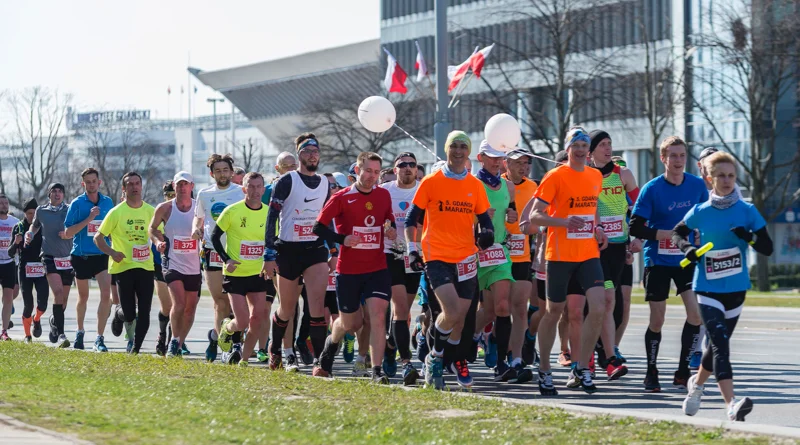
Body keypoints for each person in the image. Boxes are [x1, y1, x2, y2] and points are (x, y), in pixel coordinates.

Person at [676, 151, 773, 421]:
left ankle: (696, 386)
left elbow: (767, 247)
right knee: (720, 344)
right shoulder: (701, 211)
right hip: (707, 287)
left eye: (731, 175)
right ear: (710, 179)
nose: (727, 180)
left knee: (716, 347)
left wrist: (749, 236)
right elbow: (677, 232)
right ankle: (731, 405)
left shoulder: (747, 211)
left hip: (736, 288)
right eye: (721, 175)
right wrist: (688, 249)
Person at [404, 130, 494, 389]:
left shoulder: (475, 185)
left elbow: (484, 218)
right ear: (446, 149)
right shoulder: (431, 182)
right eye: (454, 146)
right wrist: (412, 249)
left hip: (466, 257)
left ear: (468, 153)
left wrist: (487, 234)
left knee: (460, 318)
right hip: (437, 256)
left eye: (463, 147)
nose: (458, 151)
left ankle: (448, 356)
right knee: (451, 311)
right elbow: (412, 219)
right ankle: (435, 357)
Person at [528, 127, 608, 395]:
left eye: (585, 145)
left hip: (587, 254)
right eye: (576, 144)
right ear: (569, 148)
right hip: (560, 255)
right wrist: (562, 221)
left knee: (598, 307)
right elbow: (535, 217)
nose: (581, 149)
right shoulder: (554, 177)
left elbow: (592, 209)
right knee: (553, 312)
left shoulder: (595, 176)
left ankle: (582, 367)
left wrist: (598, 229)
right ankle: (545, 369)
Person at [630, 136, 708, 392]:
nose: (677, 161)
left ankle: (683, 371)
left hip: (686, 258)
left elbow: (705, 218)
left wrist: (700, 234)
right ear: (663, 159)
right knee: (657, 319)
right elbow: (636, 226)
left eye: (681, 156)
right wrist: (664, 234)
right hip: (658, 259)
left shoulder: (697, 186)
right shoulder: (652, 189)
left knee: (695, 315)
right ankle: (651, 370)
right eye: (672, 156)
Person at [313, 151, 397, 383]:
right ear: (357, 171)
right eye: (368, 171)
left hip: (377, 268)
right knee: (352, 323)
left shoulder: (383, 195)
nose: (372, 176)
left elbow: (389, 219)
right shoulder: (341, 197)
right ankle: (331, 346)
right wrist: (343, 240)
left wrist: (391, 229)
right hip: (349, 271)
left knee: (378, 316)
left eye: (377, 172)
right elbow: (318, 228)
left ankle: (376, 371)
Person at [264, 133, 332, 370]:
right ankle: (276, 350)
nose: (313, 156)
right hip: (288, 250)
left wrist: (333, 248)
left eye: (316, 152)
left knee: (317, 305)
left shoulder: (325, 183)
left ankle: (320, 362)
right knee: (287, 308)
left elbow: (326, 219)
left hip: (314, 249)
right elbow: (271, 216)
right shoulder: (287, 181)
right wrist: (269, 254)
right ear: (299, 154)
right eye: (307, 152)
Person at [588, 130, 636, 380]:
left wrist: (636, 239)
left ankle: (603, 351)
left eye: (610, 144)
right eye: (602, 145)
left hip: (617, 247)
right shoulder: (585, 177)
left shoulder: (623, 174)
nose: (608, 148)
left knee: (610, 302)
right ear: (591, 150)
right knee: (604, 300)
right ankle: (606, 357)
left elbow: (639, 210)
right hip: (593, 248)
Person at [471, 141, 519, 383]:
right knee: (484, 310)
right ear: (480, 157)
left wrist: (512, 214)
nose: (496, 161)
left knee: (502, 306)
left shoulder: (508, 186)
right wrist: (476, 217)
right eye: (491, 157)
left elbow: (511, 215)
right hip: (472, 253)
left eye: (500, 157)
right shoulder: (471, 184)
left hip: (499, 251)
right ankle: (470, 337)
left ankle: (502, 362)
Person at [94, 172, 156, 354]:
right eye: (130, 184)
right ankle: (119, 314)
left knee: (144, 311)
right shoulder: (117, 212)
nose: (135, 187)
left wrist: (160, 243)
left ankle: (135, 348)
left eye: (137, 183)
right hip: (123, 267)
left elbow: (158, 233)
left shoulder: (150, 211)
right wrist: (112, 252)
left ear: (141, 186)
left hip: (145, 266)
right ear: (124, 188)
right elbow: (98, 238)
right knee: (129, 313)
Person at [213, 172, 270, 365]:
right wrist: (226, 259)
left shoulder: (269, 213)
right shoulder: (232, 211)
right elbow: (214, 237)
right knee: (243, 321)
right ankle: (227, 328)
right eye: (251, 187)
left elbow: (274, 241)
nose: (255, 191)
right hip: (235, 274)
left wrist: (272, 260)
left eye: (258, 187)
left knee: (257, 319)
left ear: (263, 189)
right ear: (244, 189)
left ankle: (244, 359)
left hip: (258, 273)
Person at [193, 153, 245, 362]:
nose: (222, 174)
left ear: (232, 172)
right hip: (211, 251)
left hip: (235, 252)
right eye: (218, 171)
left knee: (236, 303)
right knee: (220, 302)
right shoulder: (205, 194)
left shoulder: (241, 192)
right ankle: (225, 348)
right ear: (212, 173)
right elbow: (198, 218)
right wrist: (196, 229)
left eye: (225, 170)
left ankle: (229, 341)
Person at [379, 152, 422, 385]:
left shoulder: (424, 189)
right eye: (402, 165)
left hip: (415, 255)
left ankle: (391, 343)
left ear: (416, 169)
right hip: (391, 254)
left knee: (402, 313)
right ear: (395, 169)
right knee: (401, 308)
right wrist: (384, 228)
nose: (407, 168)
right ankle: (407, 363)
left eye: (411, 165)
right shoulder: (385, 190)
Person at [150, 172, 202, 357]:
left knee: (190, 309)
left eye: (185, 184)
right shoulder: (164, 208)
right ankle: (173, 341)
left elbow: (210, 228)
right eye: (178, 184)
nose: (181, 187)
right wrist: (158, 242)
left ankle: (179, 343)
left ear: (191, 186)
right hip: (172, 264)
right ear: (174, 185)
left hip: (194, 266)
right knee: (179, 304)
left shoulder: (199, 208)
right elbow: (152, 228)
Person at [63, 168, 114, 351]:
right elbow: (68, 233)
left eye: (94, 181)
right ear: (82, 184)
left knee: (105, 294)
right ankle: (80, 332)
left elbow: (113, 228)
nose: (91, 184)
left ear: (99, 182)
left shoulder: (108, 202)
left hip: (102, 255)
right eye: (88, 182)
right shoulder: (77, 204)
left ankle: (99, 338)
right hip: (81, 256)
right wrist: (89, 218)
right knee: (83, 296)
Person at [502, 148, 538, 382]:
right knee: (497, 309)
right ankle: (477, 338)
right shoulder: (496, 184)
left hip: (522, 255)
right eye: (518, 163)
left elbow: (536, 219)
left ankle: (515, 358)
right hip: (497, 255)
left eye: (526, 163)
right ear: (506, 164)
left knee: (519, 307)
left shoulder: (533, 187)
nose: (523, 167)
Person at [25, 183, 74, 348]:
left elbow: (78, 226)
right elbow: (35, 224)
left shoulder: (70, 209)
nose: (57, 194)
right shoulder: (41, 211)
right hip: (49, 257)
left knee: (63, 301)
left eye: (60, 191)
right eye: (54, 191)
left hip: (68, 258)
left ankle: (54, 321)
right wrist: (30, 233)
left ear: (63, 195)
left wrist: (70, 233)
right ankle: (61, 334)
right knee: (58, 293)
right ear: (49, 195)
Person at [153, 182, 175, 356]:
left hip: (183, 265)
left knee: (181, 306)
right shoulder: (159, 212)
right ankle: (162, 333)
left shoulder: (190, 212)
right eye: (170, 194)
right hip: (161, 264)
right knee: (167, 306)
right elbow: (150, 232)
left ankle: (174, 340)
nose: (173, 197)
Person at [0, 194, 21, 340]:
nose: (4, 205)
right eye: (1, 203)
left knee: (8, 297)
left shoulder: (16, 222)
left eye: (6, 203)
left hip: (9, 263)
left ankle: (4, 331)